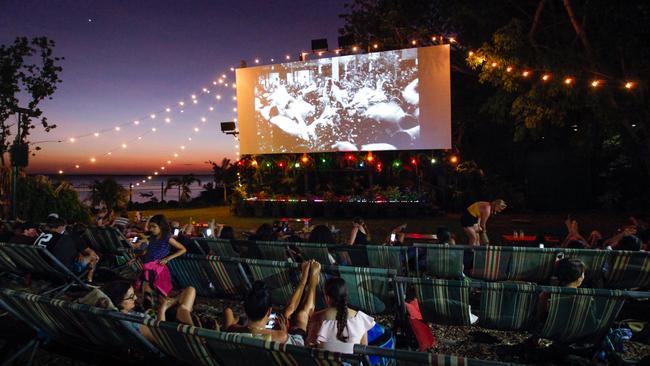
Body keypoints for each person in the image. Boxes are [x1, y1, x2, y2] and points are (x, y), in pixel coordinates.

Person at [223, 260, 321, 345]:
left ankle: (304, 280)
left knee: (286, 314)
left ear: (245, 309)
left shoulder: (232, 330)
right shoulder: (281, 336)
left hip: (263, 338)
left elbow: (228, 312)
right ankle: (312, 281)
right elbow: (293, 342)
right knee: (302, 315)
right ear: (269, 312)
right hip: (294, 344)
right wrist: (284, 331)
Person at [306, 277, 376, 353]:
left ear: (327, 298)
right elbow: (363, 348)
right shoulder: (360, 318)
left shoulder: (318, 318)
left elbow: (309, 346)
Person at [137, 214, 187, 308]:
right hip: (148, 266)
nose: (151, 229)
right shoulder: (153, 237)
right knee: (148, 291)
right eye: (150, 226)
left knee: (154, 292)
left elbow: (183, 249)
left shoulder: (167, 238)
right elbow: (149, 249)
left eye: (154, 227)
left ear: (161, 227)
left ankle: (162, 308)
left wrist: (167, 258)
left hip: (157, 269)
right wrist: (140, 254)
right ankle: (151, 308)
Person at [34, 217, 100, 283]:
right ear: (61, 227)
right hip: (58, 271)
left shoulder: (42, 235)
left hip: (39, 267)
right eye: (64, 227)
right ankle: (89, 281)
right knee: (94, 257)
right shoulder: (64, 238)